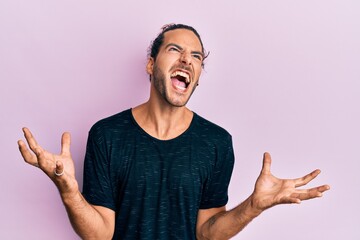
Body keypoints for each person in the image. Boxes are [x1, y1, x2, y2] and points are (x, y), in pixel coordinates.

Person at [18, 23, 330, 240]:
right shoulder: (107, 135)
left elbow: (206, 233)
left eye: (196, 57)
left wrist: (253, 206)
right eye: (175, 50)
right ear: (151, 65)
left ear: (197, 77)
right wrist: (68, 192)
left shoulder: (216, 143)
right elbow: (100, 234)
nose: (187, 60)